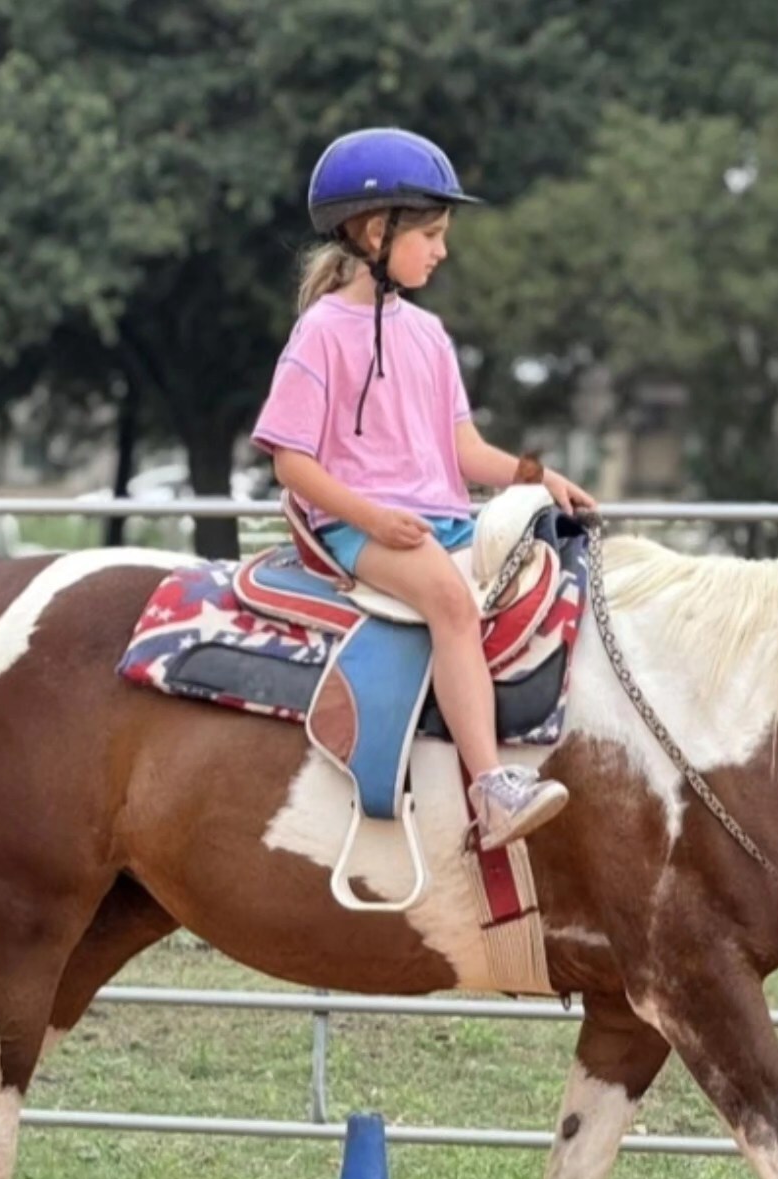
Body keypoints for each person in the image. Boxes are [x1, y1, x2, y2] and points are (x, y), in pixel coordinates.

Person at [252, 128, 594, 849]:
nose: (442, 249)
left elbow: (463, 450)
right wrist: (374, 519)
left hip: (438, 522)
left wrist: (537, 477)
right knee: (448, 599)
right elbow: (291, 462)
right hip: (356, 529)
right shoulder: (320, 332)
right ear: (377, 232)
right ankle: (490, 789)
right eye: (432, 233)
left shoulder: (430, 335)